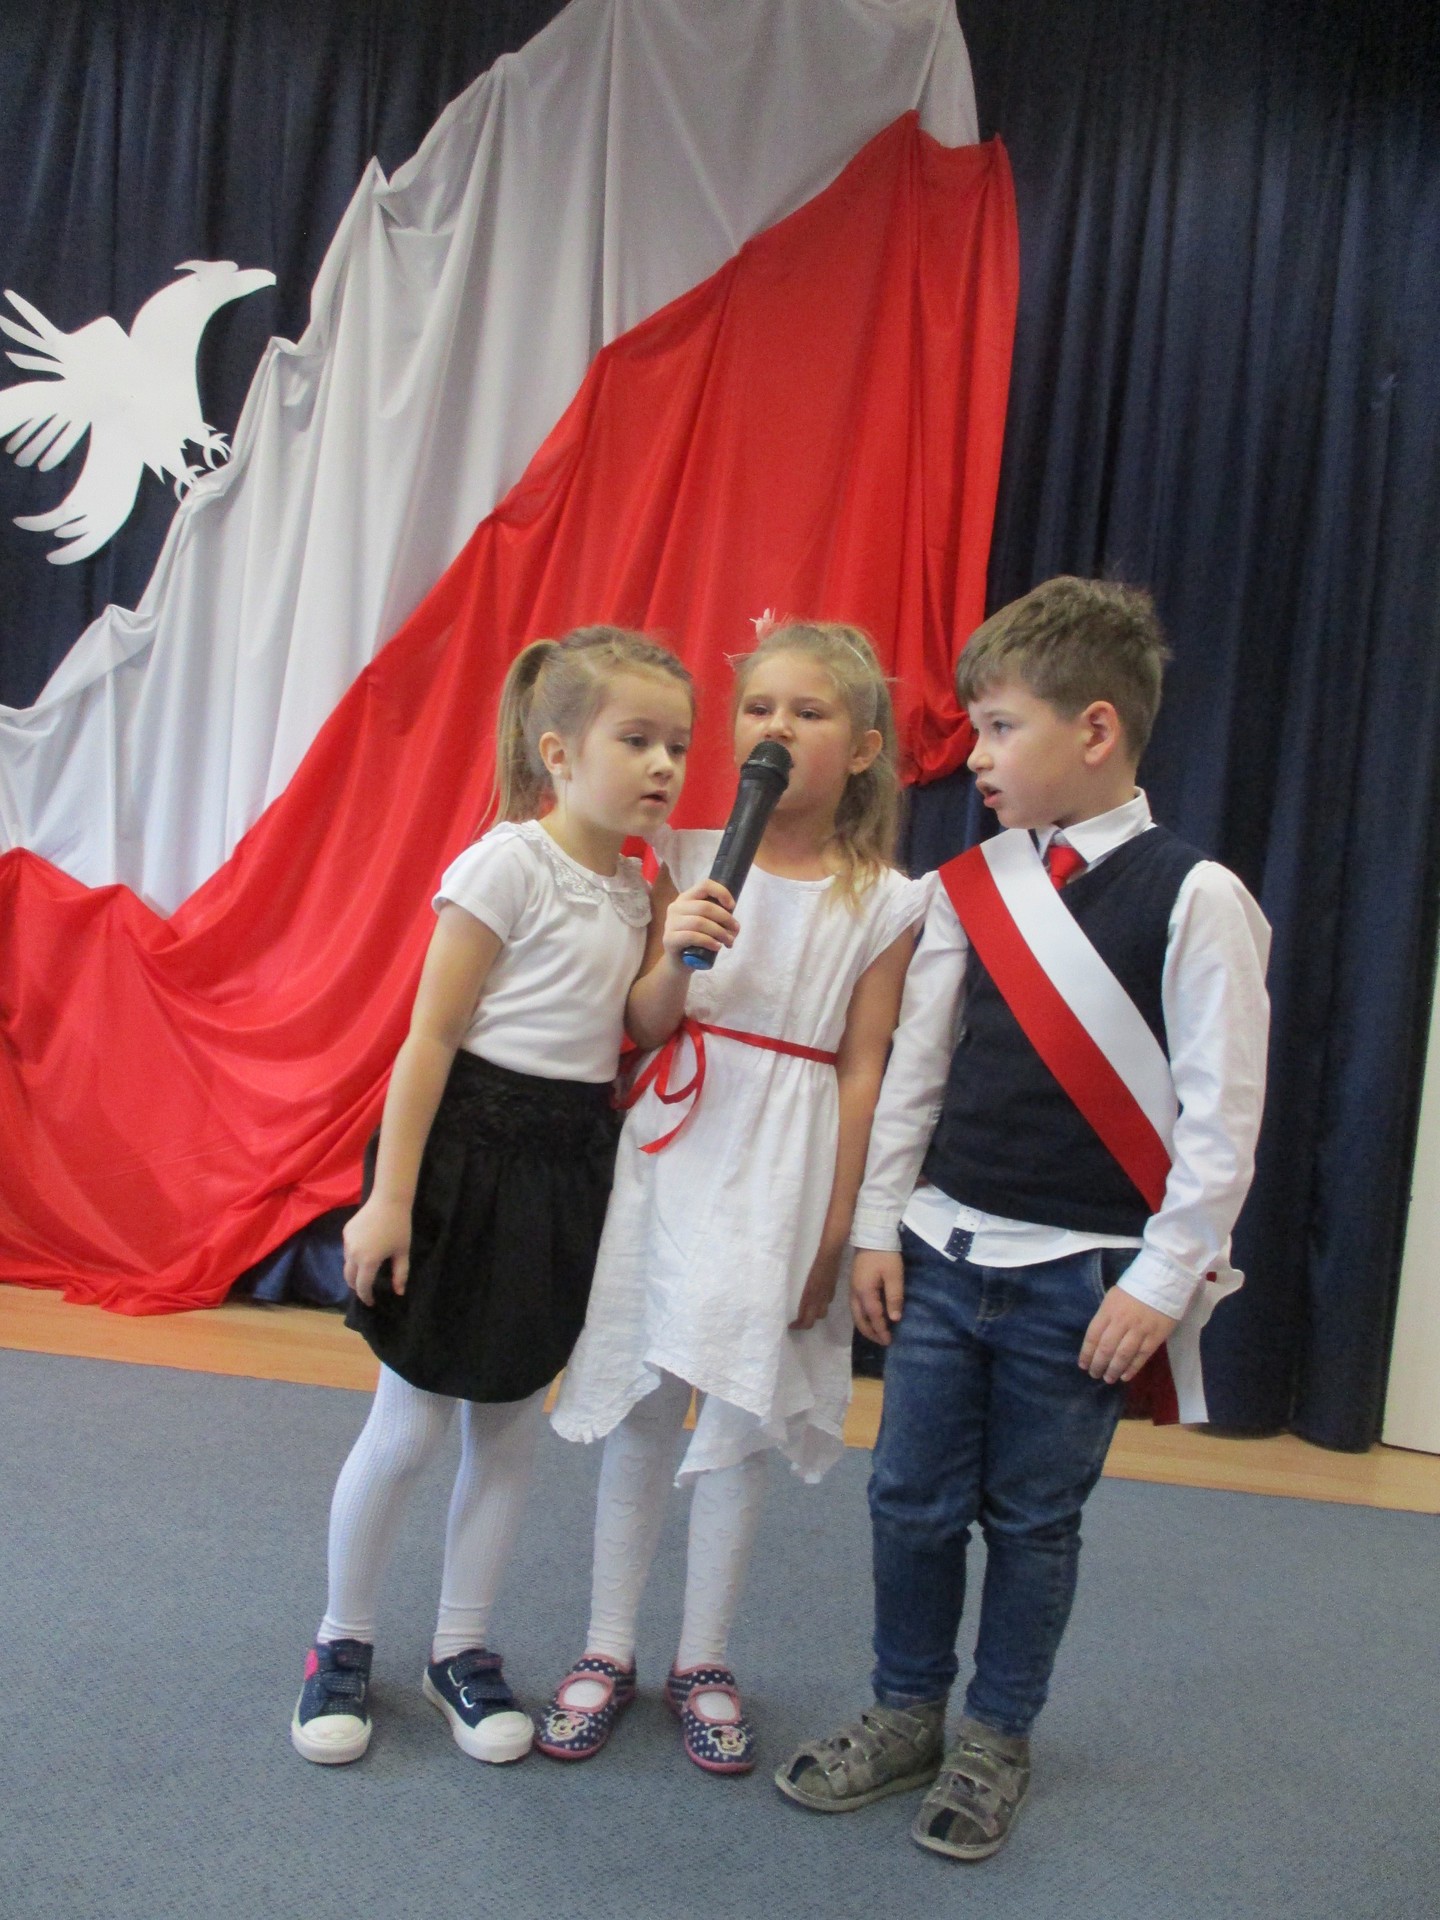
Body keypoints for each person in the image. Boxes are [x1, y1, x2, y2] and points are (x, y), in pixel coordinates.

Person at [775, 577, 1270, 1859]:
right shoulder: (967, 888)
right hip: (946, 1254)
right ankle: (905, 1713)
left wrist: (1162, 1280)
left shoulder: (1197, 896)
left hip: (1084, 1280)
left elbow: (1222, 1119)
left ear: (1094, 729)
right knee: (908, 1499)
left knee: (1035, 1521)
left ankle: (996, 1735)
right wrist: (878, 1225)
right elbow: (917, 1075)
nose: (978, 757)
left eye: (1000, 728)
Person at [290, 627, 695, 1768]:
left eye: (678, 745)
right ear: (557, 753)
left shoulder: (641, 887)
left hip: (566, 1167)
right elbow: (430, 1037)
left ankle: (460, 1649)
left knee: (511, 1426)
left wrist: (678, 952)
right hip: (463, 1158)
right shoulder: (505, 865)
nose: (663, 765)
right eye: (637, 739)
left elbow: (641, 1026)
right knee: (411, 1421)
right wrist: (391, 1200)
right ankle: (341, 1641)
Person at [539, 621, 932, 1774]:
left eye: (807, 713)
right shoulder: (690, 852)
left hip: (788, 1160)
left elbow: (864, 1066)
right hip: (680, 1141)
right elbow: (645, 1021)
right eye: (759, 709)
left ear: (862, 747)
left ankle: (703, 1656)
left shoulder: (887, 900)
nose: (776, 730)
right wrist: (677, 951)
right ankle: (608, 1645)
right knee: (646, 1393)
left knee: (740, 1411)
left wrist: (840, 1226)